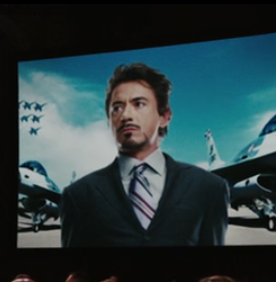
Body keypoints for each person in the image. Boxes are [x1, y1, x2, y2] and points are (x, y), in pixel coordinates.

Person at [60, 63, 229, 248]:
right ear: (109, 121)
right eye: (117, 108)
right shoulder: (78, 196)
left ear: (164, 117)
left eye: (139, 104)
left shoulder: (209, 188)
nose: (125, 115)